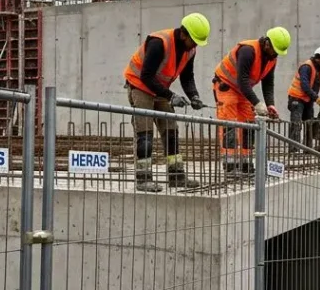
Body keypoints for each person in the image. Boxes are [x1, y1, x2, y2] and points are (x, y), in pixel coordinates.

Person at [123, 13, 211, 192]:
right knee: (145, 134)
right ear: (184, 34)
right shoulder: (159, 43)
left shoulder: (190, 50)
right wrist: (171, 96)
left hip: (160, 89)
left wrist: (194, 96)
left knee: (171, 131)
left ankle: (176, 176)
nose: (195, 45)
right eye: (193, 41)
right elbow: (146, 76)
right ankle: (143, 179)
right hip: (140, 86)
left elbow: (187, 76)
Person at [212, 26, 291, 175]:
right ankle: (230, 166)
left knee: (248, 123)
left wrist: (270, 105)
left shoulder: (271, 59)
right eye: (274, 50)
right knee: (229, 124)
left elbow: (268, 84)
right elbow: (242, 80)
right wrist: (257, 103)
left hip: (243, 91)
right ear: (267, 43)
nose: (275, 54)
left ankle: (245, 164)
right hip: (226, 86)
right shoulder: (248, 51)